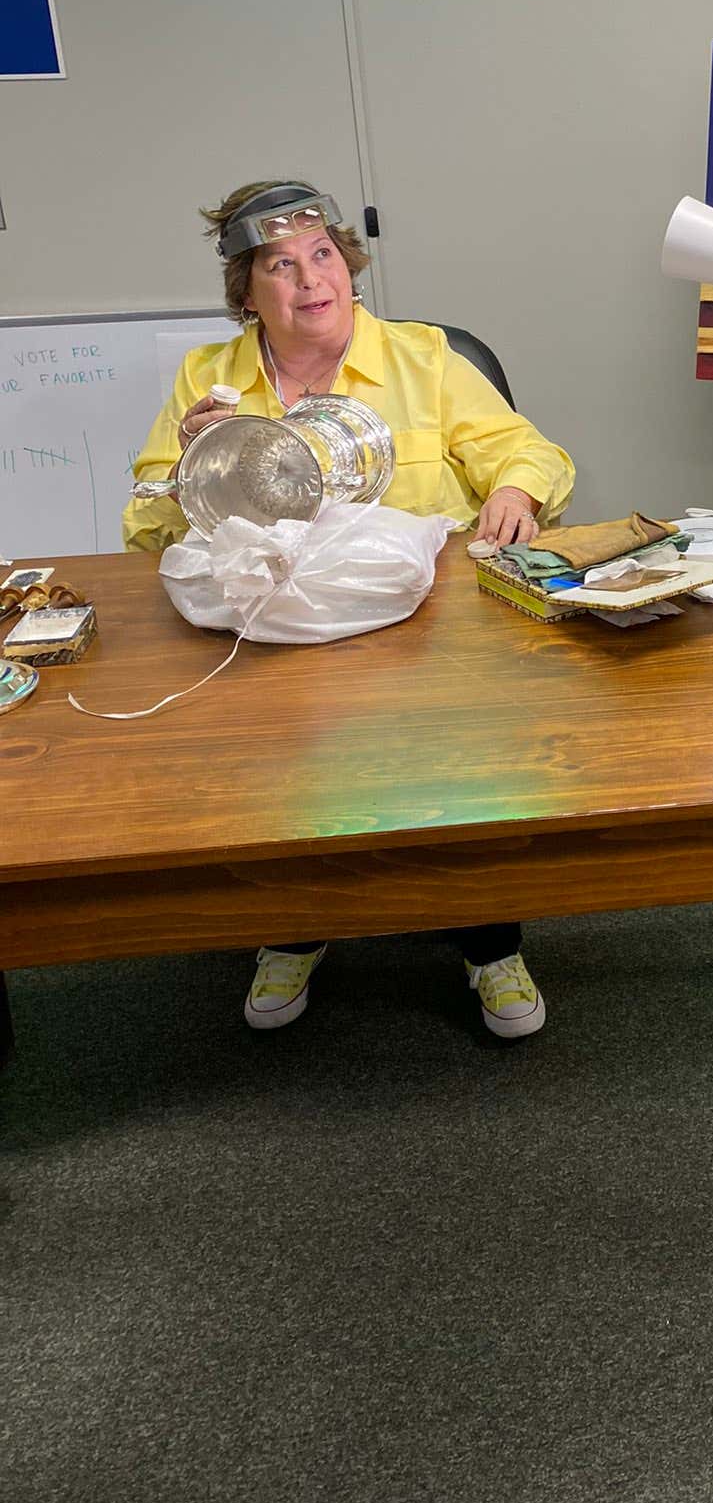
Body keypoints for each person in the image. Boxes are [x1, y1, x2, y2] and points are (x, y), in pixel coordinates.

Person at [127, 180, 576, 1041]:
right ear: (247, 292)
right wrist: (192, 469)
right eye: (280, 266)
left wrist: (515, 490)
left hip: (424, 631)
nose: (310, 281)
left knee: (463, 775)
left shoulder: (423, 357)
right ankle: (295, 930)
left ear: (348, 264)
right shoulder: (207, 381)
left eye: (323, 255)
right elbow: (144, 525)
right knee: (273, 775)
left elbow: (530, 451)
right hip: (275, 632)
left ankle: (490, 942)